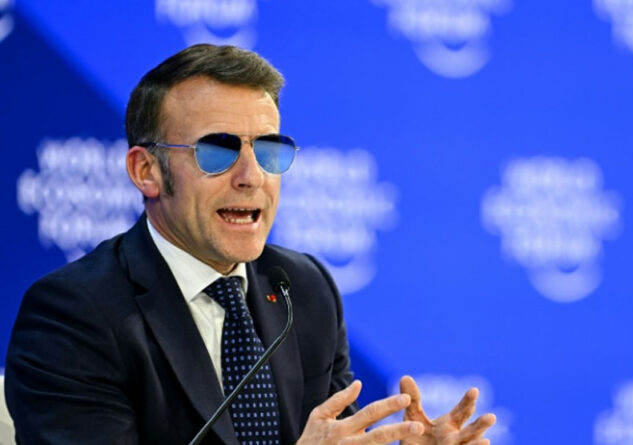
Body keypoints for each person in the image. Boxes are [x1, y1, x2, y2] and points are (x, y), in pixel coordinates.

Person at [5, 44, 495, 444]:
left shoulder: (303, 287)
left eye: (268, 150)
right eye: (217, 151)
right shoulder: (74, 315)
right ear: (146, 170)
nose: (251, 176)